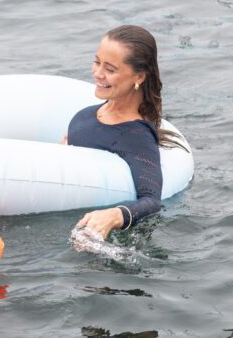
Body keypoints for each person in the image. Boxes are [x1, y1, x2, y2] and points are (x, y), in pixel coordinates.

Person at [64, 24, 188, 239]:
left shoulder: (134, 136)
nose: (97, 73)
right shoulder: (88, 114)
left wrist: (113, 215)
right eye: (96, 62)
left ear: (139, 77)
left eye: (109, 69)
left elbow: (151, 201)